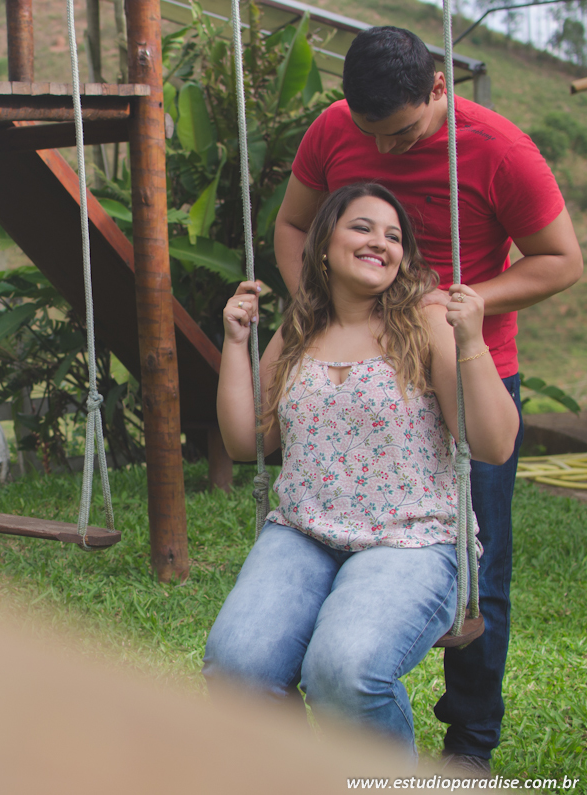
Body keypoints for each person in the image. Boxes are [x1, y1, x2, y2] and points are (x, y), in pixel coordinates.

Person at [273, 26, 583, 773]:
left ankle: (470, 745)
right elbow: (291, 225)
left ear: (441, 88)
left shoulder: (501, 150)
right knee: (331, 524)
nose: (383, 152)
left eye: (403, 133)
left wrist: (457, 305)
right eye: (368, 134)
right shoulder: (332, 130)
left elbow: (560, 261)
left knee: (482, 568)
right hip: (356, 365)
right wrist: (314, 304)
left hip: (462, 364)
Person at [203, 183, 519, 762]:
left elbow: (495, 444)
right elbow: (249, 441)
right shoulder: (299, 328)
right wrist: (233, 344)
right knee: (237, 668)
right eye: (363, 227)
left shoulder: (425, 323)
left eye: (393, 236)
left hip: (412, 538)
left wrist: (470, 336)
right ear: (323, 245)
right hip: (305, 533)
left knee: (344, 671)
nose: (380, 242)